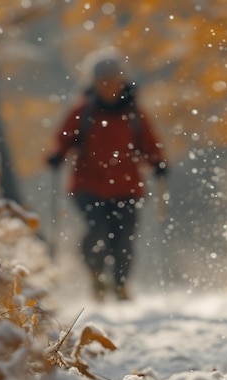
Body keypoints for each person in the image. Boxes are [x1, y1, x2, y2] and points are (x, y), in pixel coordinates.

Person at [47, 49, 168, 301]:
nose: (108, 83)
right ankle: (96, 274)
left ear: (122, 79)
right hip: (88, 185)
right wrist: (57, 155)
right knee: (98, 230)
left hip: (128, 186)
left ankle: (121, 284)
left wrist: (158, 163)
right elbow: (63, 140)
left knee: (124, 239)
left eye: (112, 77)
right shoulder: (83, 111)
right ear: (92, 81)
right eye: (102, 78)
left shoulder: (134, 113)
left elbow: (149, 145)